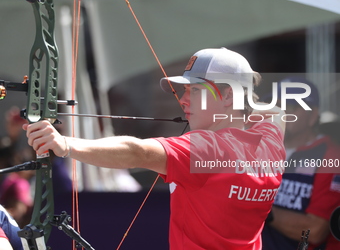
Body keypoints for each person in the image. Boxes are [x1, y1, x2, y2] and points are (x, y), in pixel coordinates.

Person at [23, 47, 286, 249]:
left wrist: (66, 144)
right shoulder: (270, 142)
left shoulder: (208, 149)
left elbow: (138, 151)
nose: (182, 100)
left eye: (195, 91)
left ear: (228, 95)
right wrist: (243, 109)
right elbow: (276, 113)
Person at [261, 77, 340, 250]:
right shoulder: (261, 149)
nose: (281, 114)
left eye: (291, 107)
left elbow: (316, 230)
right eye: (277, 107)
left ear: (312, 115)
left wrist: (258, 207)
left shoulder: (331, 156)